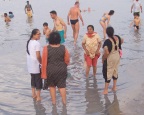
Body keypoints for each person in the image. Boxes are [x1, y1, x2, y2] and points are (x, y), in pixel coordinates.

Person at [41, 32, 70, 105]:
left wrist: (43, 73)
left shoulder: (46, 48)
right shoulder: (63, 47)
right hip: (62, 69)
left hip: (50, 70)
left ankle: (54, 103)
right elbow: (67, 59)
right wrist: (63, 65)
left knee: (52, 86)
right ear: (59, 39)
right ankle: (64, 102)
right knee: (62, 86)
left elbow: (44, 61)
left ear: (50, 39)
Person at [102, 27, 123, 95]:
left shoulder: (107, 41)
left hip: (110, 58)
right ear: (113, 32)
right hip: (117, 56)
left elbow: (107, 52)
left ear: (107, 33)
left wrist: (103, 58)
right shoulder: (117, 37)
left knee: (108, 72)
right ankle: (114, 87)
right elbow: (122, 40)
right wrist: (118, 46)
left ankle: (106, 90)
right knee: (115, 70)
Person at [26, 29, 42, 101]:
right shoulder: (36, 43)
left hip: (30, 64)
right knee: (38, 80)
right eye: (38, 34)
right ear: (34, 35)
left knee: (33, 79)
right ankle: (38, 96)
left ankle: (33, 94)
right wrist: (41, 62)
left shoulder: (29, 42)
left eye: (40, 34)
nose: (39, 35)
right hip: (36, 64)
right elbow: (38, 55)